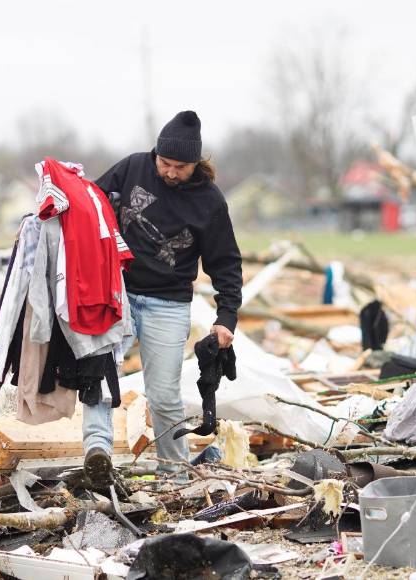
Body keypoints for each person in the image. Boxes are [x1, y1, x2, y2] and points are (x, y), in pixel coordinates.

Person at [82, 110, 243, 483]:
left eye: (179, 167)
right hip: (117, 291)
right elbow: (90, 204)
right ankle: (98, 452)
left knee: (164, 393)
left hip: (167, 302)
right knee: (99, 374)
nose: (169, 172)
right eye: (164, 163)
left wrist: (226, 316)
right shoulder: (133, 168)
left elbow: (226, 262)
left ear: (197, 164)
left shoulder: (210, 202)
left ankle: (174, 471)